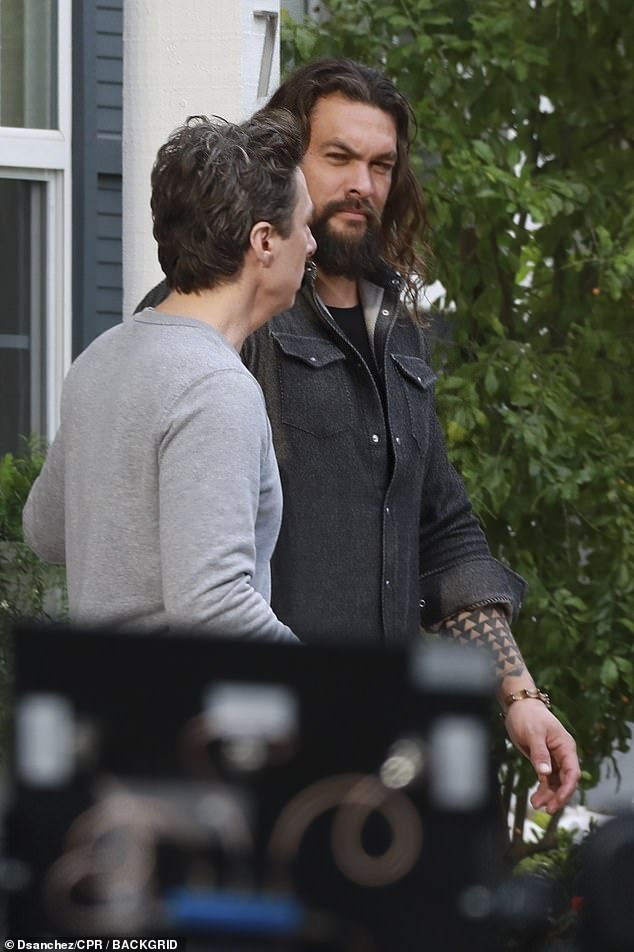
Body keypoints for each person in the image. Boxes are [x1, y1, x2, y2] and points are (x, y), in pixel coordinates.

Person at [136, 59, 580, 813]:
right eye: (338, 157)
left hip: (374, 747)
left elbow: (444, 532)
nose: (362, 185)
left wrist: (519, 695)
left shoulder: (400, 331)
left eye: (381, 165)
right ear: (285, 162)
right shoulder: (227, 313)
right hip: (246, 747)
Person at [23, 111, 315, 641]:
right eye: (306, 225)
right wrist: (334, 691)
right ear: (265, 241)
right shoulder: (216, 388)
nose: (313, 245)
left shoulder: (101, 357)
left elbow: (45, 531)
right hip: (176, 715)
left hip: (99, 709)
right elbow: (214, 609)